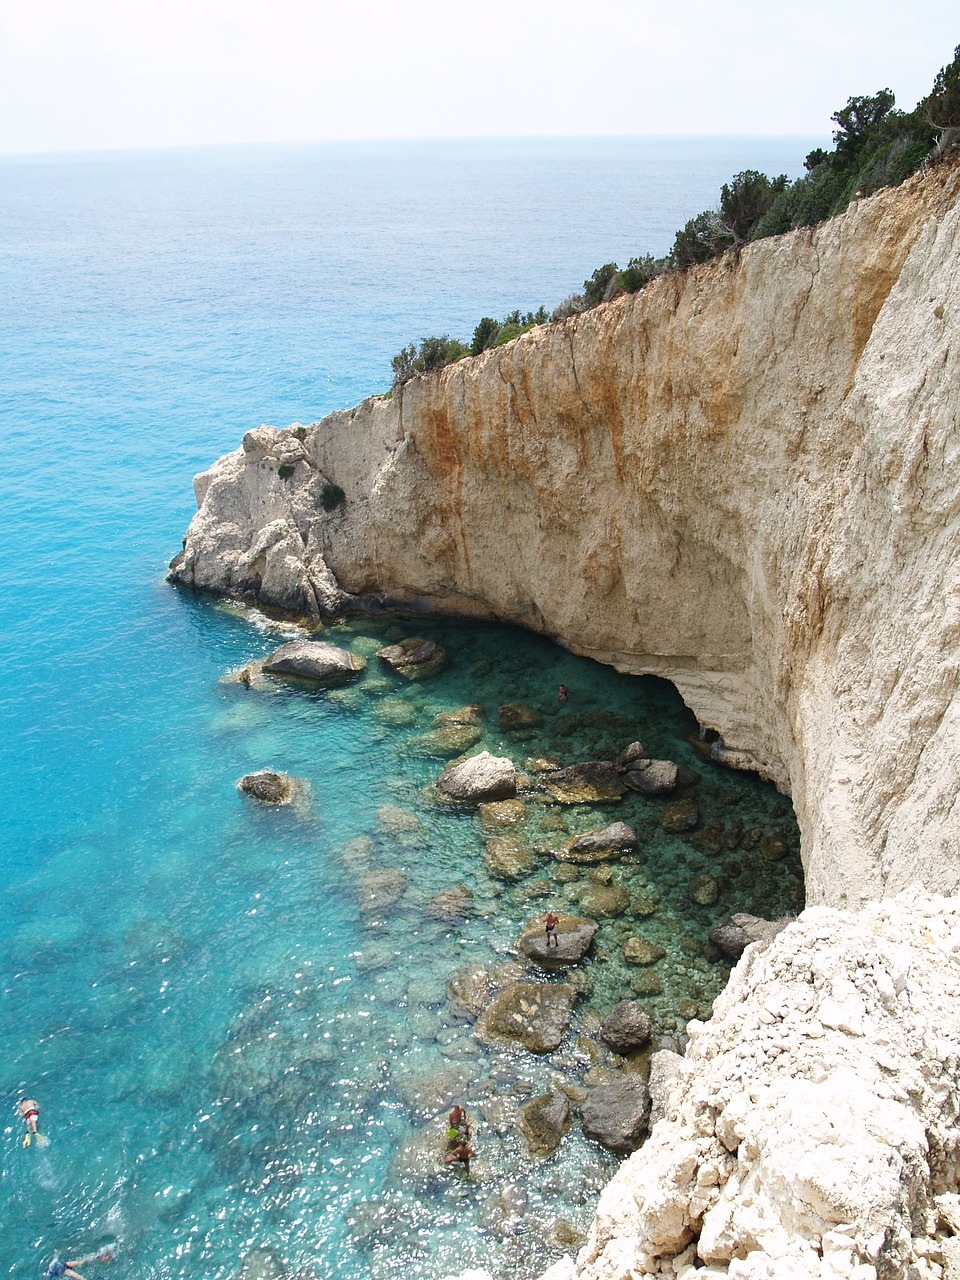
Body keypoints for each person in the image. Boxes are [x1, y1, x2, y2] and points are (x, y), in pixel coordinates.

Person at [47, 1251, 113, 1280]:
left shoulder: (52, 1274)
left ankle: (99, 1257)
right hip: (64, 1264)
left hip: (62, 1270)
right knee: (81, 1262)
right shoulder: (54, 1265)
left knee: (79, 1278)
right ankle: (98, 1257)